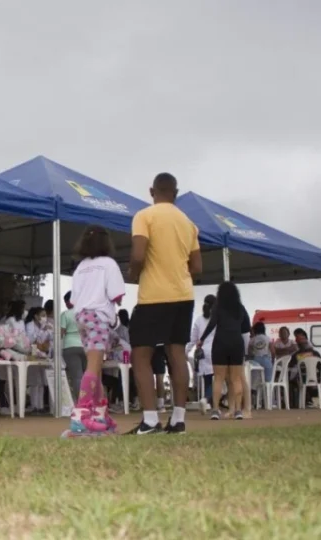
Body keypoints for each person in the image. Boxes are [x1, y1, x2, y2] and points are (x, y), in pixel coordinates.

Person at [127, 173, 202, 435]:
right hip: (184, 295)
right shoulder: (188, 223)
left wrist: (133, 274)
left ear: (152, 191)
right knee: (177, 353)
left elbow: (138, 254)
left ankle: (150, 420)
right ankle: (178, 420)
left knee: (141, 355)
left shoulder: (144, 216)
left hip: (154, 296)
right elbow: (197, 267)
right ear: (176, 193)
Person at [64, 225, 126, 437]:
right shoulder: (108, 264)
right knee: (93, 366)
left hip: (81, 317)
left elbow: (73, 299)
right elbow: (116, 294)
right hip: (99, 316)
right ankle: (81, 415)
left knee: (96, 367)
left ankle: (99, 412)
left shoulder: (81, 267)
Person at [199, 282, 250, 420]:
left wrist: (202, 339)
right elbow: (247, 327)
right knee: (236, 379)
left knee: (219, 379)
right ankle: (238, 410)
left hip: (220, 342)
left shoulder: (218, 307)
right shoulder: (240, 308)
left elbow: (212, 323)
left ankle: (215, 410)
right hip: (236, 343)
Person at [189, 295, 216, 412]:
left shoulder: (199, 320)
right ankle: (207, 399)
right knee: (220, 380)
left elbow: (193, 339)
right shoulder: (218, 319)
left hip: (203, 353)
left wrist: (185, 351)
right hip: (216, 351)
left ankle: (207, 401)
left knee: (208, 380)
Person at [59, 291, 86, 402]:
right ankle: (90, 401)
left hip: (70, 346)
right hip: (85, 346)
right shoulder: (84, 313)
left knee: (77, 376)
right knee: (87, 375)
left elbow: (61, 333)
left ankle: (80, 402)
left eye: (66, 302)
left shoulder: (65, 314)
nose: (65, 304)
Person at [24, 307, 49, 414]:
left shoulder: (41, 326)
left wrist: (45, 330)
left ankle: (40, 405)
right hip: (32, 353)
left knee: (41, 381)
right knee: (35, 381)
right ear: (36, 316)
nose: (44, 317)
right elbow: (31, 339)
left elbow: (42, 340)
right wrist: (42, 331)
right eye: (42, 315)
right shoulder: (29, 325)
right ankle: (35, 405)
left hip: (41, 354)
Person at [249, 322, 273, 386]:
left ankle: (255, 391)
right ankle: (267, 390)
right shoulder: (267, 338)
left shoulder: (252, 339)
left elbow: (250, 352)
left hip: (256, 360)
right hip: (266, 359)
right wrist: (273, 361)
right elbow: (273, 351)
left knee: (255, 379)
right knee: (268, 380)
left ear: (255, 330)